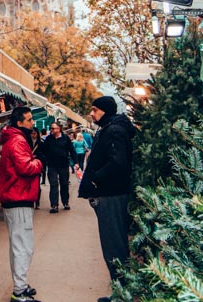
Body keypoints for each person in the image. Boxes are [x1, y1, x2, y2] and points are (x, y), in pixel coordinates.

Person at [78, 96, 136, 302]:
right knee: (113, 245)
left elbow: (118, 162)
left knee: (114, 246)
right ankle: (119, 291)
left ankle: (121, 295)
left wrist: (95, 179)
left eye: (95, 110)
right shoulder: (111, 129)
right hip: (110, 194)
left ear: (106, 110)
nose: (92, 114)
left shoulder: (114, 131)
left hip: (111, 195)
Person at [0, 106, 43, 302]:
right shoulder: (17, 141)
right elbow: (25, 167)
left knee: (19, 245)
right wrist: (39, 162)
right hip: (19, 197)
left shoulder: (14, 140)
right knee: (23, 246)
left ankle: (21, 285)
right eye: (30, 120)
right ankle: (19, 290)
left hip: (16, 196)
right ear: (19, 123)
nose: (32, 123)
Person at [39, 122, 76, 213]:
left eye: (53, 128)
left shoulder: (65, 138)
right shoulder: (49, 139)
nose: (51, 130)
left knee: (64, 184)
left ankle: (65, 202)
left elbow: (72, 150)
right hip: (52, 165)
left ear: (59, 129)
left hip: (63, 165)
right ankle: (54, 205)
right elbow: (44, 150)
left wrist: (76, 162)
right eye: (51, 128)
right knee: (53, 184)